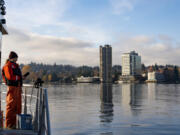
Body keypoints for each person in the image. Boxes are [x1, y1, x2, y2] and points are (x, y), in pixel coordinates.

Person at [2, 51, 24, 129]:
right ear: (13, 57)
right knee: (11, 106)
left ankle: (16, 124)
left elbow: (16, 76)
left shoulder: (15, 66)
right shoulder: (7, 66)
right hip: (12, 88)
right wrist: (19, 78)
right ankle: (9, 125)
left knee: (17, 107)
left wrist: (21, 79)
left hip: (17, 88)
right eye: (16, 58)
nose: (17, 59)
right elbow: (10, 77)